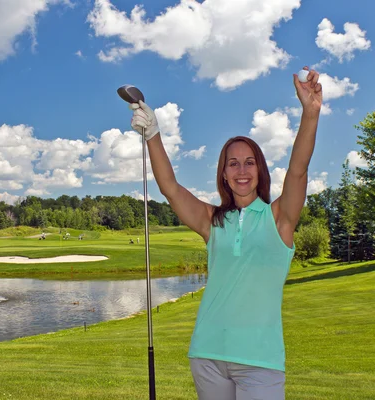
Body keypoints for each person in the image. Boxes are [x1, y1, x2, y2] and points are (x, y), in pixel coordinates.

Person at [129, 67, 322, 400]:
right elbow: (171, 190)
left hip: (260, 360)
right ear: (224, 173)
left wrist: (310, 114)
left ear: (260, 169)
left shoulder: (280, 219)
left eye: (249, 162)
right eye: (233, 163)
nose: (242, 170)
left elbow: (299, 169)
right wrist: (153, 135)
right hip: (208, 354)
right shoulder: (212, 221)